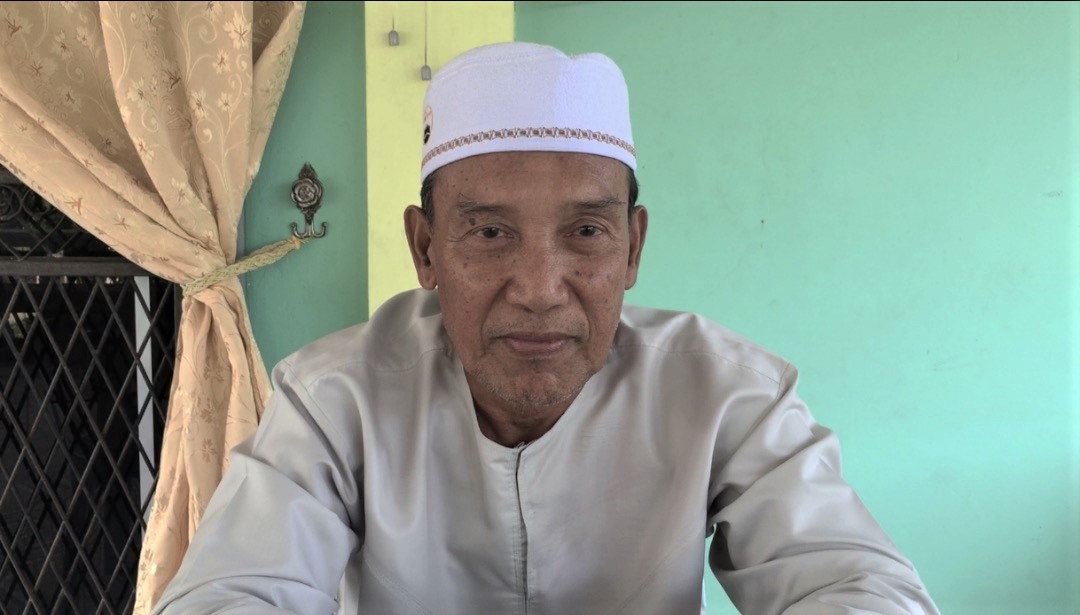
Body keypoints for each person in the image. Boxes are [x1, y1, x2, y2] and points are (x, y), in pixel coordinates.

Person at [154, 42, 939, 615]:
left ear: (632, 248)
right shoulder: (335, 398)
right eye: (490, 233)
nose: (537, 289)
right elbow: (229, 595)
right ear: (425, 249)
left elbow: (863, 587)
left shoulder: (725, 392)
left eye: (586, 232)